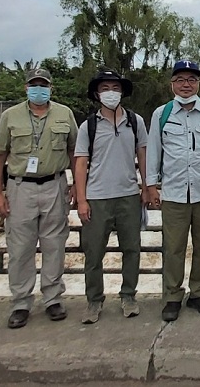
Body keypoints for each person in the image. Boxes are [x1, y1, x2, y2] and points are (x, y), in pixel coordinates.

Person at [0, 68, 78, 329]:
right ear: (26, 88)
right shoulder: (10, 116)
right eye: (34, 84)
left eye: (44, 85)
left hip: (55, 184)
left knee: (54, 244)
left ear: (51, 88)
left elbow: (74, 150)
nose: (39, 89)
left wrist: (76, 185)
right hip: (20, 187)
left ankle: (52, 298)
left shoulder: (65, 113)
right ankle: (20, 303)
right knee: (20, 248)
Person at [146, 60, 200, 322]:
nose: (186, 84)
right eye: (180, 79)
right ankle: (172, 296)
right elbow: (153, 150)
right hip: (173, 192)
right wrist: (150, 185)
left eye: (191, 80)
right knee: (173, 247)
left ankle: (199, 293)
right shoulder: (162, 114)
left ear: (198, 84)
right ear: (172, 84)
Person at [73, 69, 149, 324]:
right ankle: (94, 301)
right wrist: (82, 200)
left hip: (128, 195)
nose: (111, 93)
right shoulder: (89, 126)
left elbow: (143, 155)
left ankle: (128, 295)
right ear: (96, 93)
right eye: (105, 88)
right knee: (93, 253)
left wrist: (147, 186)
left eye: (115, 88)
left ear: (122, 92)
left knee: (132, 249)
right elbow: (81, 163)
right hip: (97, 197)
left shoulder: (135, 122)